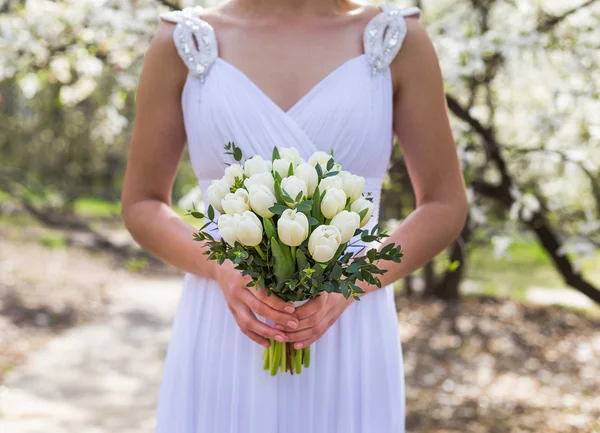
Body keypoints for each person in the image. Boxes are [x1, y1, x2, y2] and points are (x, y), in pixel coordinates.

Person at [121, 0, 468, 431]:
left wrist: (352, 280)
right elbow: (142, 203)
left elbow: (444, 204)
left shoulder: (395, 39)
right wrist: (219, 267)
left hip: (349, 329)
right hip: (226, 327)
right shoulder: (185, 42)